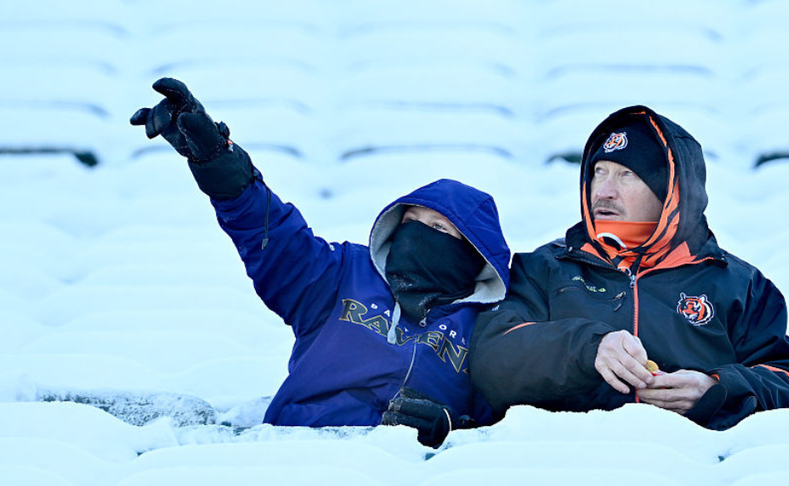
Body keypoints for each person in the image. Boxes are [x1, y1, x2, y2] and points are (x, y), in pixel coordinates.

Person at [130, 78, 511, 447]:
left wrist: (451, 428)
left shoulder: (484, 328)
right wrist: (216, 158)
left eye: (438, 227)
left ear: (472, 253)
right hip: (296, 450)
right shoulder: (343, 273)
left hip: (402, 472)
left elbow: (504, 416)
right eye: (411, 221)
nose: (418, 234)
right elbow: (272, 236)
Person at [469, 105, 789, 430]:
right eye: (598, 172)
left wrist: (715, 388)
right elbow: (491, 359)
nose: (603, 191)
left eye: (626, 175)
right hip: (565, 466)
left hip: (687, 472)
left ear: (671, 191)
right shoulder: (546, 268)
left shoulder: (737, 284)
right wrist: (589, 348)